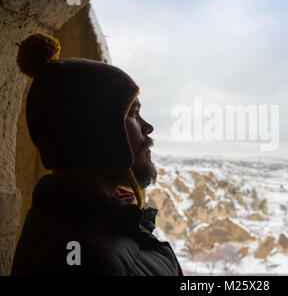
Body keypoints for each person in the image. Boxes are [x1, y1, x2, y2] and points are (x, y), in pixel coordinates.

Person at [11, 33, 183, 276]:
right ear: (98, 131)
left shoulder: (103, 221)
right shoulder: (72, 261)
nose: (148, 127)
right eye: (133, 113)